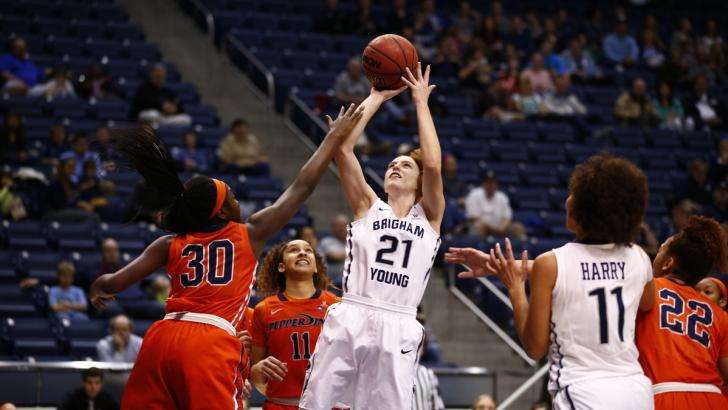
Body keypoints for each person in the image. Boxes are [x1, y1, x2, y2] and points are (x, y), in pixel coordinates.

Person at [89, 105, 363, 409]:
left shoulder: (169, 243)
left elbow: (111, 282)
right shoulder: (249, 233)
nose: (236, 199)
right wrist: (332, 138)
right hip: (208, 340)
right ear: (220, 211)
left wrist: (100, 288)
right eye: (231, 195)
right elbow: (303, 186)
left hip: (160, 339)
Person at [447, 154, 655, 409]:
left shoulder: (552, 262)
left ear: (586, 209)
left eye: (574, 194)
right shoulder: (639, 257)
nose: (568, 200)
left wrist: (514, 287)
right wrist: (497, 265)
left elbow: (535, 348)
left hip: (583, 391)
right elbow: (647, 303)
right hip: (636, 390)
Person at [299, 62, 445, 410]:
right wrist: (375, 96)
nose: (395, 166)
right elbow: (344, 149)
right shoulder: (368, 205)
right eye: (392, 164)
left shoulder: (429, 217)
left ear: (420, 180)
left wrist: (420, 102)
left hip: (400, 322)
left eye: (405, 165)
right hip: (353, 312)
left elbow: (435, 165)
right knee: (319, 405)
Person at [635, 216, 728, 409]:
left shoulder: (642, 292)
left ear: (668, 263)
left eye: (660, 250)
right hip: (714, 398)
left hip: (666, 397)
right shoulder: (719, 314)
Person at [249, 239, 340, 409]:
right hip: (281, 404)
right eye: (293, 250)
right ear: (281, 267)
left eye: (308, 250)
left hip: (329, 404)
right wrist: (257, 370)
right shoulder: (264, 309)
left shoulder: (337, 305)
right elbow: (257, 370)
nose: (302, 252)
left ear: (315, 267)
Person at [465, 172, 519, 237]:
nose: (491, 185)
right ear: (483, 184)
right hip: (483, 227)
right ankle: (480, 246)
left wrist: (501, 229)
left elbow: (507, 218)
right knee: (478, 226)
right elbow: (474, 218)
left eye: (493, 182)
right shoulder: (474, 194)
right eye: (488, 182)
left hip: (500, 228)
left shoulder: (502, 197)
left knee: (517, 228)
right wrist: (493, 229)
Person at [319, 214, 348, 285]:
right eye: (339, 226)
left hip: (351, 282)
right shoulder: (326, 241)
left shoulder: (353, 241)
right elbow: (334, 257)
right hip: (333, 283)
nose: (342, 228)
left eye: (344, 225)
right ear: (332, 228)